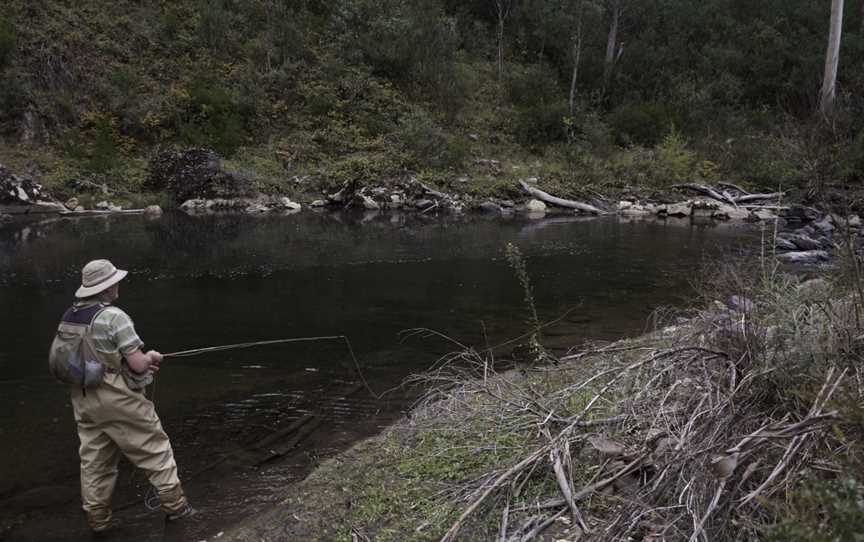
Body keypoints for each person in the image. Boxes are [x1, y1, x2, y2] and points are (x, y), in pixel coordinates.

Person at [60, 259, 195, 533]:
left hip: (83, 398)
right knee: (154, 447)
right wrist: (152, 357)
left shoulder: (70, 315)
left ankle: (98, 522)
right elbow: (138, 364)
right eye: (115, 281)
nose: (118, 284)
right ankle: (177, 508)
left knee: (95, 461)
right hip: (116, 395)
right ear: (107, 287)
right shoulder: (114, 317)